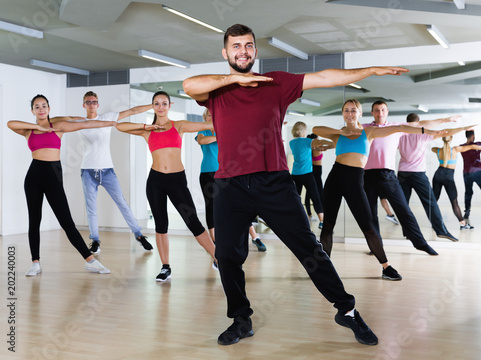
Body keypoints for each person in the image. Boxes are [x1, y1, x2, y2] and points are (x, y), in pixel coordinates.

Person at [183, 23, 409, 346]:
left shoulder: (276, 82)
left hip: (273, 181)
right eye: (236, 47)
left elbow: (325, 77)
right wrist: (234, 78)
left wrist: (370, 70)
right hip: (229, 185)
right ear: (226, 52)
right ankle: (241, 318)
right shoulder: (216, 90)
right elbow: (189, 84)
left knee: (309, 250)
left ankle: (346, 309)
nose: (243, 51)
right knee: (228, 256)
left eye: (248, 45)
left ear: (255, 51)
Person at [314, 99, 444, 281]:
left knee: (367, 226)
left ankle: (386, 267)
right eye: (346, 111)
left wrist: (424, 131)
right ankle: (324, 269)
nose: (349, 114)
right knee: (328, 225)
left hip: (355, 180)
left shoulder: (369, 131)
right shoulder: (339, 135)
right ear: (343, 113)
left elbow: (400, 128)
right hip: (335, 177)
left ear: (360, 113)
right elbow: (316, 130)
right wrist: (341, 131)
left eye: (353, 111)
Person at [8, 94, 114, 276]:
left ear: (49, 109)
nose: (41, 109)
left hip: (52, 176)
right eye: (37, 107)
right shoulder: (28, 131)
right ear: (32, 110)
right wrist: (36, 126)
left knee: (67, 222)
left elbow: (86, 124)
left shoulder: (57, 127)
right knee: (34, 220)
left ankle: (90, 261)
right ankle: (35, 262)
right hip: (33, 176)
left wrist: (111, 124)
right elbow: (10, 123)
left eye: (44, 106)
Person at [116, 91, 217, 282]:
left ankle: (218, 258)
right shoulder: (147, 130)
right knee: (161, 226)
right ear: (153, 106)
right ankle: (165, 267)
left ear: (170, 105)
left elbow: (208, 124)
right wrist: (146, 123)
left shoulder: (178, 126)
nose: (161, 107)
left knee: (193, 222)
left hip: (177, 180)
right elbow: (120, 126)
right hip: (156, 181)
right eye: (157, 104)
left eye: (164, 103)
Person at [54, 91, 154, 255]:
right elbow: (54, 121)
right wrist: (71, 117)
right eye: (88, 102)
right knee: (91, 208)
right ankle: (95, 240)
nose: (92, 104)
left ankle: (139, 235)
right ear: (84, 105)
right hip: (87, 171)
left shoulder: (108, 117)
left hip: (107, 170)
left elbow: (132, 111)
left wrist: (154, 105)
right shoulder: (79, 121)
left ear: (98, 104)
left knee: (122, 203)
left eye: (94, 101)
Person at [363, 101, 454, 255]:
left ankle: (420, 243)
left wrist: (444, 120)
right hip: (367, 175)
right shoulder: (364, 128)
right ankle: (375, 246)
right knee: (370, 214)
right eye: (377, 110)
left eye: (383, 110)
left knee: (404, 210)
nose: (380, 113)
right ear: (372, 112)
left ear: (387, 111)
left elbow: (421, 124)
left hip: (388, 175)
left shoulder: (396, 127)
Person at [196, 108, 266, 251]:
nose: (212, 116)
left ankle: (255, 237)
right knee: (211, 208)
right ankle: (216, 243)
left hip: (226, 173)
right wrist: (220, 136)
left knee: (236, 205)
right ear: (206, 117)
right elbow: (202, 141)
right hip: (207, 173)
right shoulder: (202, 132)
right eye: (209, 114)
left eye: (214, 114)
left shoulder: (226, 130)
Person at [397, 113, 471, 242]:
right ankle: (441, 231)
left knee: (404, 205)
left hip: (402, 173)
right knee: (430, 203)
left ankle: (408, 232)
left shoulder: (400, 135)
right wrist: (463, 128)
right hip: (418, 173)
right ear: (419, 122)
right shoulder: (422, 134)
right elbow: (446, 132)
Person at [431, 135, 481, 230]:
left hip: (437, 175)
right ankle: (463, 224)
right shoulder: (455, 149)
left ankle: (434, 223)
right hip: (448, 177)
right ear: (451, 140)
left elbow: (432, 148)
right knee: (454, 202)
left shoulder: (437, 150)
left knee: (434, 200)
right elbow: (471, 146)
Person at [289, 121, 333, 229]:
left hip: (295, 174)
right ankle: (322, 221)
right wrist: (334, 143)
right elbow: (320, 142)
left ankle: (295, 220)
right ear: (304, 131)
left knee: (296, 198)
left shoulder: (291, 143)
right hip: (307, 174)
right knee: (315, 197)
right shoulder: (308, 141)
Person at [304, 133, 324, 222]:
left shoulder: (310, 149)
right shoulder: (317, 148)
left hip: (314, 170)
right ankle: (321, 214)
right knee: (320, 193)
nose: (319, 140)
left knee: (309, 193)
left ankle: (310, 214)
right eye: (317, 139)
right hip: (316, 171)